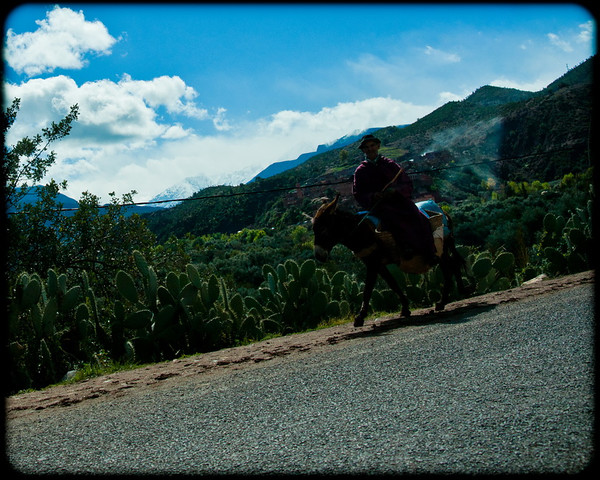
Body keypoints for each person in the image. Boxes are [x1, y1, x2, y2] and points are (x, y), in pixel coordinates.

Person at [352, 134, 437, 263]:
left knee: (418, 216)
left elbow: (406, 183)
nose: (370, 149)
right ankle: (404, 248)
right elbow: (358, 193)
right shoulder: (361, 171)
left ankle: (429, 250)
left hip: (398, 201)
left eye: (372, 145)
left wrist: (395, 191)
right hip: (378, 206)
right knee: (391, 218)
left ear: (378, 146)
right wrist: (373, 195)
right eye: (367, 147)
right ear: (363, 150)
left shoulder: (390, 165)